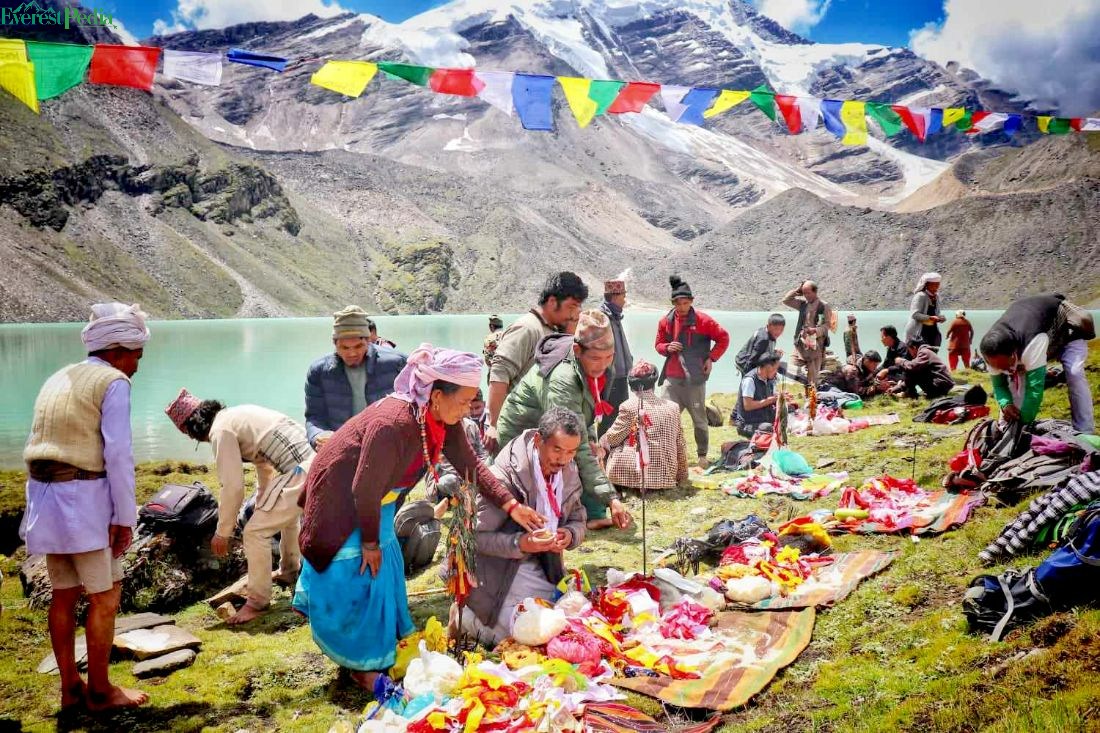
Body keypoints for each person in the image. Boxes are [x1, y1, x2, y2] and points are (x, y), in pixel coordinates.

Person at [294, 345, 544, 693]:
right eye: (464, 401)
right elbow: (362, 489)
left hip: (374, 501)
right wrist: (368, 542)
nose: (469, 409)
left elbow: (471, 465)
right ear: (437, 395)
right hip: (341, 501)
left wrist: (510, 505)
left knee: (383, 572)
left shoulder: (441, 418)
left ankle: (384, 648)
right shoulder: (392, 424)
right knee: (361, 573)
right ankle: (361, 667)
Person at [20, 303, 150, 712]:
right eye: (135, 356)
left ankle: (70, 686)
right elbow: (118, 455)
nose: (135, 367)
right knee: (106, 596)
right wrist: (124, 518)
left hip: (43, 495)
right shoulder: (112, 381)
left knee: (63, 594)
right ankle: (100, 691)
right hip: (83, 499)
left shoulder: (59, 376)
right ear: (116, 351)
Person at [165, 391, 313, 624]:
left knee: (254, 532)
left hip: (303, 470)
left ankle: (257, 602)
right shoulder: (235, 416)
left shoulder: (220, 431)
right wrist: (264, 503)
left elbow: (232, 487)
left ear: (190, 430)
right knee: (281, 516)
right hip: (314, 461)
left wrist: (222, 532)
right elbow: (265, 465)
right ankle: (289, 569)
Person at [458, 408, 588, 645]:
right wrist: (521, 543)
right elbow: (474, 539)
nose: (563, 459)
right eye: (557, 449)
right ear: (538, 440)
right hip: (496, 570)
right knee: (522, 636)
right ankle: (467, 619)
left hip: (540, 565)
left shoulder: (567, 472)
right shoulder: (502, 478)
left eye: (571, 452)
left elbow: (579, 518)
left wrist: (568, 535)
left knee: (566, 622)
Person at [497, 310, 632, 531]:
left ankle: (585, 515)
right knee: (551, 473)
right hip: (524, 434)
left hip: (557, 432)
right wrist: (611, 497)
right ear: (578, 351)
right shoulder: (563, 379)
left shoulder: (599, 367)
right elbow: (569, 439)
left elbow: (585, 412)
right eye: (596, 358)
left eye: (609, 357)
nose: (603, 365)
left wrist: (591, 441)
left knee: (587, 452)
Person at [486, 272, 589, 451]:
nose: (574, 313)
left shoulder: (553, 331)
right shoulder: (527, 328)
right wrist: (493, 425)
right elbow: (499, 375)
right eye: (571, 307)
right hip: (514, 432)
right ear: (551, 302)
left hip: (537, 433)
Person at [980, 294, 1095, 432]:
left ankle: (1085, 429)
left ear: (1014, 353)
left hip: (1068, 332)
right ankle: (1006, 428)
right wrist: (1006, 404)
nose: (1004, 370)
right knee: (1016, 382)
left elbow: (1034, 390)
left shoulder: (1031, 344)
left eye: (1006, 366)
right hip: (1038, 333)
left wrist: (1023, 423)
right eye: (997, 367)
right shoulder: (991, 351)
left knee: (1074, 373)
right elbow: (999, 385)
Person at [304, 305, 407, 449]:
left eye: (358, 346)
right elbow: (314, 417)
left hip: (389, 448)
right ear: (335, 344)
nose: (352, 353)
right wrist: (319, 436)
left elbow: (414, 407)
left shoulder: (396, 364)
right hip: (343, 449)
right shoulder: (319, 372)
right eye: (344, 348)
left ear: (368, 341)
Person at [655, 275, 730, 468]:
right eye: (678, 303)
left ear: (692, 301)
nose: (681, 307)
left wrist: (711, 358)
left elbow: (723, 338)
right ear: (672, 303)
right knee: (665, 419)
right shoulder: (665, 322)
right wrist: (667, 347)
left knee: (699, 420)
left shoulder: (703, 321)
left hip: (695, 379)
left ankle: (702, 456)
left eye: (685, 303)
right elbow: (658, 345)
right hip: (672, 379)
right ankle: (666, 457)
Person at [600, 361, 689, 492]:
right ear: (654, 383)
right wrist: (682, 477)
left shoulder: (628, 406)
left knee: (604, 439)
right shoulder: (673, 407)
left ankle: (606, 481)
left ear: (631, 385)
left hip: (635, 478)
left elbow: (613, 439)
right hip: (666, 478)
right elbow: (680, 445)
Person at [426, 389, 489, 504]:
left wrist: (485, 469)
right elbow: (439, 463)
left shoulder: (471, 426)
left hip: (468, 476)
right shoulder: (441, 425)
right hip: (446, 476)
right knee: (450, 481)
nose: (469, 411)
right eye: (468, 406)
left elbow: (481, 453)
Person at [599, 279, 634, 434]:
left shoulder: (615, 315)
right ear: (614, 296)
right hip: (610, 375)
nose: (624, 299)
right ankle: (604, 451)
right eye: (622, 296)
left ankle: (613, 450)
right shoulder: (602, 317)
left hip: (620, 374)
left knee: (620, 414)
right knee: (610, 417)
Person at [782, 280, 832, 388]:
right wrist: (797, 291)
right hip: (800, 343)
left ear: (815, 291)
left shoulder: (824, 306)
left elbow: (827, 325)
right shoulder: (802, 305)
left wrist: (816, 330)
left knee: (813, 377)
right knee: (792, 368)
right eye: (804, 293)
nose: (806, 296)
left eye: (808, 293)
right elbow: (786, 300)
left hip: (816, 345)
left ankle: (812, 399)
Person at [733, 352, 786, 438]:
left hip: (763, 418)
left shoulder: (769, 379)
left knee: (788, 414)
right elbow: (748, 405)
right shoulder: (750, 380)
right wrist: (770, 400)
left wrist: (781, 397)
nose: (776, 372)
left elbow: (771, 396)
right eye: (776, 368)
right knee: (768, 428)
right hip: (748, 424)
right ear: (768, 367)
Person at [905, 272, 946, 351]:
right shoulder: (920, 296)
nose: (937, 286)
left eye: (938, 284)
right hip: (919, 332)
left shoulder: (936, 296)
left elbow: (936, 312)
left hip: (931, 332)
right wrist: (929, 318)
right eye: (934, 284)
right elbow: (915, 314)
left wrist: (940, 317)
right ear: (927, 284)